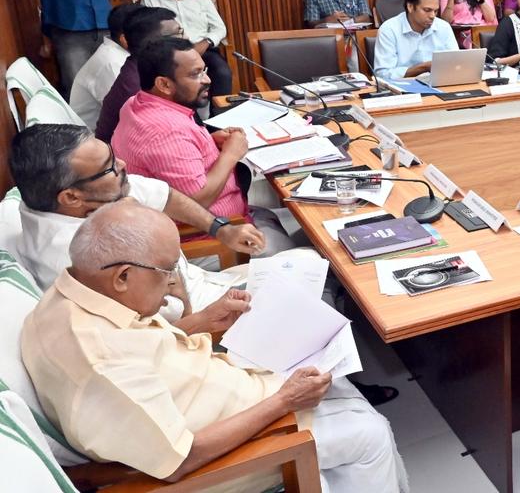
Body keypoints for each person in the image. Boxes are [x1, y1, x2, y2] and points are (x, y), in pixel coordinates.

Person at [21, 200, 409, 492]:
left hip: (226, 395)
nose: (173, 280)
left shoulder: (77, 293)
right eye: (166, 270)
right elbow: (178, 461)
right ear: (123, 276)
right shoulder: (100, 363)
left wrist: (202, 323)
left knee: (337, 384)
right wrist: (283, 401)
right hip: (221, 454)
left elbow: (145, 348)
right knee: (370, 433)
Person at [7, 123, 264, 316]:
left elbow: (164, 195)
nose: (123, 164)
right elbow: (157, 340)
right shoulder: (77, 261)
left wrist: (220, 229)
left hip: (204, 284)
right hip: (202, 321)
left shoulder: (91, 193)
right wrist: (186, 302)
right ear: (71, 197)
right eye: (109, 167)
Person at [111, 36, 300, 256]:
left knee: (296, 221)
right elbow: (196, 201)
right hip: (211, 236)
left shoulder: (137, 103)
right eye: (195, 74)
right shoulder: (165, 130)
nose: (208, 80)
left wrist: (208, 142)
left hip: (232, 217)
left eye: (204, 70)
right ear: (164, 84)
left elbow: (172, 156)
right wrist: (231, 154)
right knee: (318, 258)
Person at [140, 0, 232, 95]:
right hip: (171, 54)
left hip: (204, 49)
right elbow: (150, 33)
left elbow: (220, 28)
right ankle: (190, 116)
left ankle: (219, 114)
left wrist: (206, 42)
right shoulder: (150, 0)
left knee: (222, 73)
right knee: (179, 83)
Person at [94, 7, 186, 142]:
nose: (186, 38)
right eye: (177, 34)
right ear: (153, 43)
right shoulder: (135, 85)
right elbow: (164, 138)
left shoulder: (146, 66)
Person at [68, 2, 140, 130]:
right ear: (125, 39)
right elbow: (135, 114)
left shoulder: (120, 54)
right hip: (95, 140)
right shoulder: (112, 63)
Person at [374, 0, 458, 82]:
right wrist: (422, 68)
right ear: (410, 7)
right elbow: (382, 74)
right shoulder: (389, 29)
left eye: (435, 11)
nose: (432, 16)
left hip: (440, 83)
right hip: (402, 89)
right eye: (427, 10)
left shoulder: (443, 27)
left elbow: (455, 62)